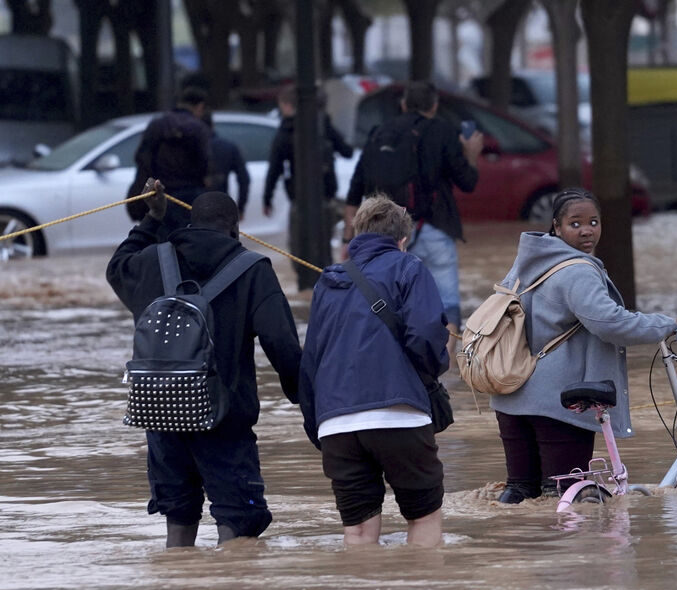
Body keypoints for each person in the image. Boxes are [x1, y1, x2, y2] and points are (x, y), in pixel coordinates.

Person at [106, 180, 302, 548]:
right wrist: (303, 398)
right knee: (238, 520)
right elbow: (281, 343)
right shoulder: (253, 269)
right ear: (235, 228)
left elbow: (116, 268)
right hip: (225, 419)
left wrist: (152, 220)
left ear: (191, 221)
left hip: (162, 414)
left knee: (178, 516)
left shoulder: (151, 260)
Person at [489, 188, 677, 504]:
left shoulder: (524, 264)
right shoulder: (578, 270)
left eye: (593, 222)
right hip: (560, 403)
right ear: (557, 227)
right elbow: (611, 323)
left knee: (520, 496)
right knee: (565, 498)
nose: (587, 230)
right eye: (575, 224)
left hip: (510, 397)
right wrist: (667, 324)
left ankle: (514, 552)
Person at [299, 194, 450, 547]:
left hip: (336, 424)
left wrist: (318, 425)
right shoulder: (409, 267)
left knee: (359, 533)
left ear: (356, 233)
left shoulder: (328, 280)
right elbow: (426, 337)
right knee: (423, 518)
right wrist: (431, 374)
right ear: (402, 240)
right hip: (400, 417)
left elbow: (311, 360)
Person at [343, 80, 482, 343]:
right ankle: (447, 366)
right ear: (435, 105)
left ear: (404, 104)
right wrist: (471, 155)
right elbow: (467, 182)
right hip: (433, 226)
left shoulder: (379, 132)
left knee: (392, 299)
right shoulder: (442, 130)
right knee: (446, 299)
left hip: (386, 233)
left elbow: (355, 189)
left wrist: (348, 238)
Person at [262, 83, 354, 292]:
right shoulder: (323, 126)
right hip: (326, 199)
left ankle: (309, 288)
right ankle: (328, 289)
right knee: (324, 250)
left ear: (286, 105)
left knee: (298, 250)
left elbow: (275, 167)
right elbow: (347, 151)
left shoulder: (286, 130)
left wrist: (267, 198)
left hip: (300, 201)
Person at [125, 86, 211, 227]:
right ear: (200, 106)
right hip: (188, 197)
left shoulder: (156, 125)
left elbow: (141, 157)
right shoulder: (199, 128)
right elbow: (205, 163)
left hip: (158, 194)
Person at [204, 111, 250, 219]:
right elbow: (244, 180)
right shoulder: (228, 148)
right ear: (212, 125)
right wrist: (241, 207)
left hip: (190, 206)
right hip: (221, 205)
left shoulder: (187, 149)